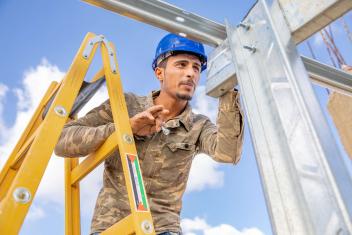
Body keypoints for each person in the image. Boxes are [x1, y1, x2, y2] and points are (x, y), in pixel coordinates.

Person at [55, 33, 244, 235]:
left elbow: (228, 153)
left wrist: (227, 88)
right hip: (111, 226)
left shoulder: (198, 125)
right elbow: (62, 141)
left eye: (196, 68)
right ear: (159, 73)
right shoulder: (124, 105)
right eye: (181, 65)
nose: (191, 73)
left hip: (162, 228)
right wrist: (126, 128)